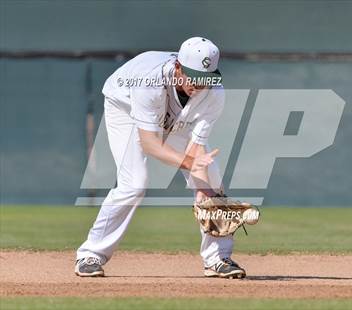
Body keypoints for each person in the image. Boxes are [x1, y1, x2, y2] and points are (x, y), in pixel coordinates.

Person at [75, 37, 246, 279]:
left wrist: (203, 191)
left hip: (172, 114)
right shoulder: (149, 82)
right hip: (123, 105)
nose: (198, 84)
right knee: (134, 183)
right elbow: (150, 144)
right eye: (193, 76)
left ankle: (218, 258)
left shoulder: (214, 94)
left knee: (213, 185)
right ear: (178, 67)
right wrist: (188, 163)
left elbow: (196, 151)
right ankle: (90, 254)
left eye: (205, 78)